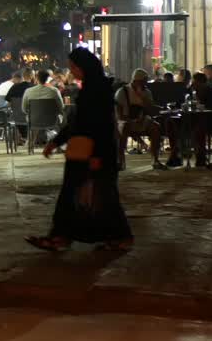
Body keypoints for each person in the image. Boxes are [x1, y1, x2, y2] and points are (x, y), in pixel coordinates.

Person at [26, 47, 132, 251]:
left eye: (74, 66)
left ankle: (116, 236)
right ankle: (62, 236)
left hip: (92, 151)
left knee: (101, 195)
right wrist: (56, 141)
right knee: (81, 194)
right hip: (83, 149)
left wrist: (97, 154)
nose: (71, 70)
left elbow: (100, 125)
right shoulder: (91, 88)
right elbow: (78, 121)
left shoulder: (97, 90)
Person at [115, 69, 166, 170]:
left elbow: (150, 109)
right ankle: (121, 161)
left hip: (142, 119)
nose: (145, 83)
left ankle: (155, 159)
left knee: (155, 127)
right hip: (125, 120)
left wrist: (143, 98)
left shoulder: (146, 92)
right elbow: (118, 113)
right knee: (124, 127)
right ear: (136, 81)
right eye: (144, 81)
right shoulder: (122, 92)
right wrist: (129, 120)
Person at [188, 71, 212, 168]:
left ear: (201, 82)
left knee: (199, 129)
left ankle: (201, 156)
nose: (193, 84)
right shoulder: (192, 92)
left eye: (195, 82)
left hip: (209, 120)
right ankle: (175, 155)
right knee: (173, 123)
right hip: (193, 118)